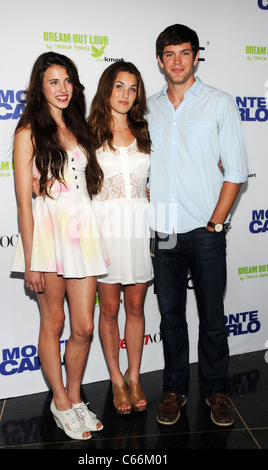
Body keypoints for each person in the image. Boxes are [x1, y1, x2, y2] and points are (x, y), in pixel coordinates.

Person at [146, 24, 248, 427]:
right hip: (165, 230)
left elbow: (236, 171)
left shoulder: (220, 103)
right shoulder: (147, 107)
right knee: (170, 318)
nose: (177, 61)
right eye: (169, 54)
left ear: (196, 56)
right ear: (159, 60)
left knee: (212, 318)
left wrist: (216, 223)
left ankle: (217, 391)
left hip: (207, 232)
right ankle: (174, 390)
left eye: (185, 53)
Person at [11, 52, 108, 440]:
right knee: (54, 323)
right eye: (54, 81)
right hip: (49, 237)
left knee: (83, 326)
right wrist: (33, 259)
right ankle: (61, 402)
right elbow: (23, 204)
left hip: (81, 232)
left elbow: (86, 184)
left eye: (67, 80)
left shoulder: (79, 126)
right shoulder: (27, 132)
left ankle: (73, 395)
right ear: (40, 87)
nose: (63, 88)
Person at [88, 61, 153, 414]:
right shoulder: (88, 132)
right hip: (105, 230)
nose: (126, 95)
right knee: (109, 309)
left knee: (136, 307)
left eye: (132, 88)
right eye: (119, 87)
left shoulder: (146, 130)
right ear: (107, 90)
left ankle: (135, 375)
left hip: (139, 229)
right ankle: (116, 379)